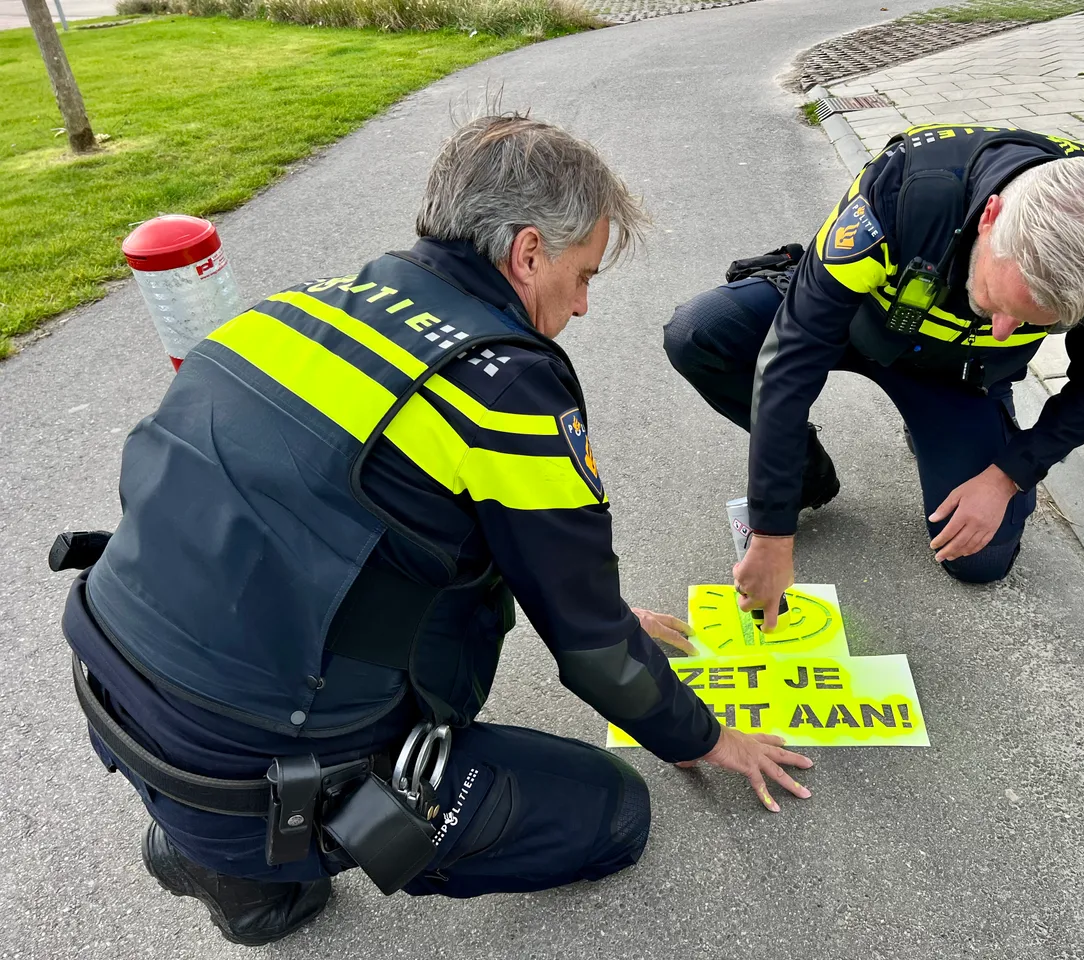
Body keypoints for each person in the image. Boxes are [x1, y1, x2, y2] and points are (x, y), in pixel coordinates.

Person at [52, 113, 812, 947]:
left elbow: (365, 526)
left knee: (434, 579)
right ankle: (238, 857)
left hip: (115, 692)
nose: (586, 305)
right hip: (267, 775)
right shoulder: (500, 385)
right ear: (528, 253)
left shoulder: (290, 311)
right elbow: (592, 655)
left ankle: (229, 861)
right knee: (612, 813)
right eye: (583, 275)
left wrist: (600, 607)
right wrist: (707, 737)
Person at [663, 122, 1084, 626]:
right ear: (990, 218)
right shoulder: (903, 190)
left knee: (977, 561)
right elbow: (793, 354)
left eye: (1033, 323)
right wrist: (771, 529)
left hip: (956, 374)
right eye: (995, 301)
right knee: (699, 334)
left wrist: (1009, 474)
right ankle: (807, 471)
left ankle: (943, 430)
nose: (1006, 332)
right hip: (852, 321)